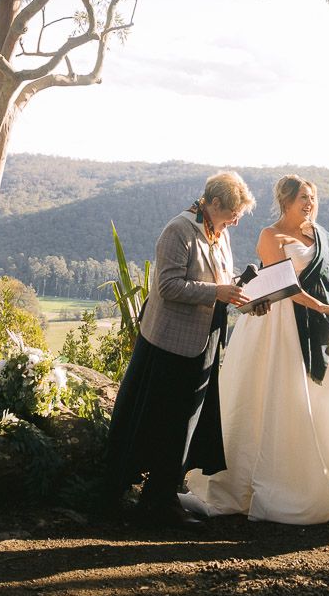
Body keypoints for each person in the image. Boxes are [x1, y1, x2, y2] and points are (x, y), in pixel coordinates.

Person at [185, 175, 329, 524]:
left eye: (312, 197)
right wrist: (324, 308)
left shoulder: (318, 234)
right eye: (303, 198)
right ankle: (277, 484)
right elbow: (288, 285)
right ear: (286, 201)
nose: (310, 203)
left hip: (326, 324)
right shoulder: (271, 236)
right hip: (282, 324)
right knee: (283, 397)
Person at [99, 170, 256, 529]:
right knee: (163, 422)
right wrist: (216, 292)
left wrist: (242, 293)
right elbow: (168, 286)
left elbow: (221, 281)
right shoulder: (179, 230)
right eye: (232, 213)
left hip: (205, 340)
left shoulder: (220, 232)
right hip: (169, 344)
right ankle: (151, 502)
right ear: (212, 202)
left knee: (186, 423)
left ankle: (162, 495)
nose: (235, 221)